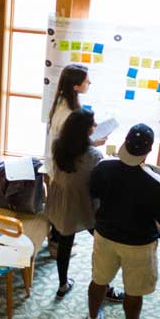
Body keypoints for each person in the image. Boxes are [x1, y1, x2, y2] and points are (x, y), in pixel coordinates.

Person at [85, 124, 160, 319]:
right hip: (138, 244)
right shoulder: (157, 182)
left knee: (99, 280)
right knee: (134, 291)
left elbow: (93, 191)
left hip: (104, 235)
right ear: (149, 151)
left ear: (124, 142)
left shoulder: (104, 166)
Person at [42, 64, 109, 259]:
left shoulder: (64, 102)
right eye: (86, 80)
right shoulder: (67, 112)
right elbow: (69, 144)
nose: (89, 83)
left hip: (58, 162)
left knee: (63, 207)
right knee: (70, 207)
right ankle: (58, 242)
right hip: (62, 166)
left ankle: (60, 238)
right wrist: (93, 142)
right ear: (76, 86)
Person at [45, 108, 103, 299]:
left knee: (65, 243)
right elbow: (96, 181)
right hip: (82, 201)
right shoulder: (94, 155)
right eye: (93, 124)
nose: (95, 126)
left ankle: (62, 284)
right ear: (86, 130)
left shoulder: (58, 145)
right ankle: (104, 284)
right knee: (101, 239)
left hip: (60, 198)